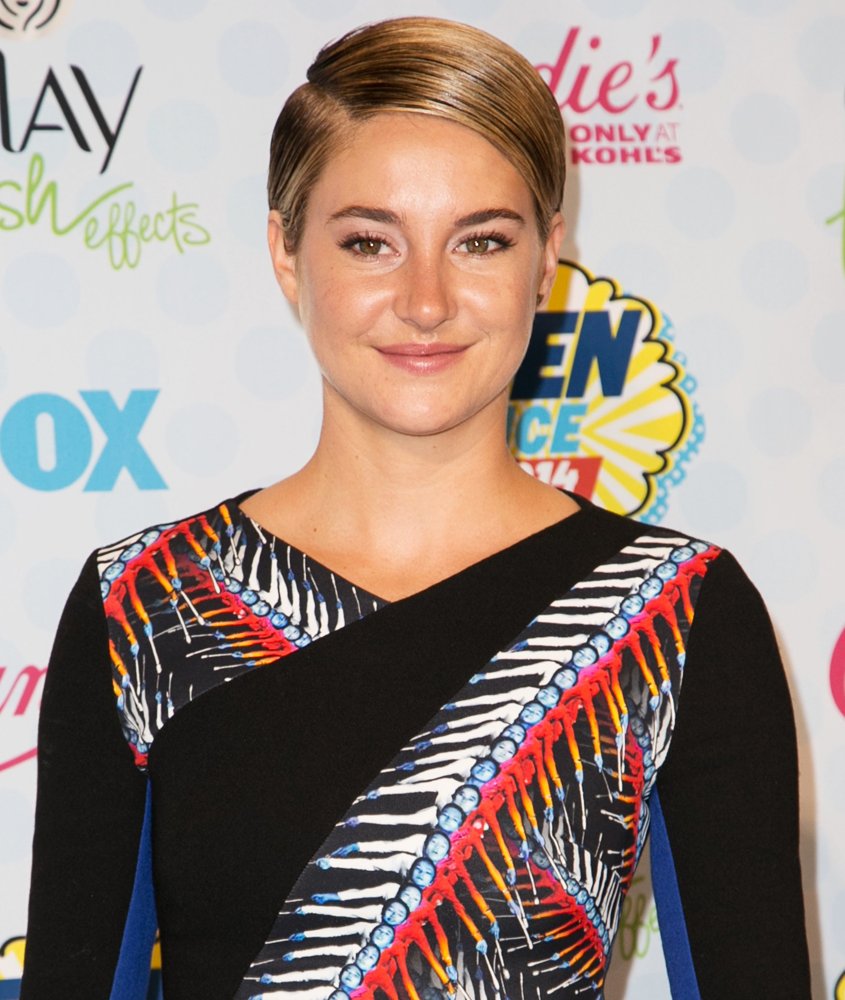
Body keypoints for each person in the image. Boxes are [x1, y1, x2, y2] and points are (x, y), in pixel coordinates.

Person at [21, 16, 811, 1000]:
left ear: (545, 260)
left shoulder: (675, 612)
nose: (427, 300)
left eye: (480, 241)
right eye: (370, 242)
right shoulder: (144, 603)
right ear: (285, 253)